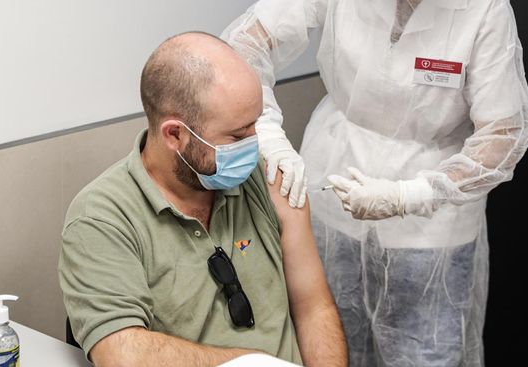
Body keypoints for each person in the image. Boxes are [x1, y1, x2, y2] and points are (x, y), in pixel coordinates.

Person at [222, 0, 528, 365]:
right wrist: (266, 133)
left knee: (424, 352)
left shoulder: (483, 4)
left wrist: (413, 194)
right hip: (335, 179)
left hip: (431, 223)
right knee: (329, 338)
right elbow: (247, 43)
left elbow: (505, 132)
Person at [58, 32, 347, 367]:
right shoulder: (102, 217)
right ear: (175, 135)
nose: (254, 146)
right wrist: (249, 363)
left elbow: (314, 309)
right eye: (237, 136)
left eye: (256, 124)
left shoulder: (269, 181)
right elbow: (122, 354)